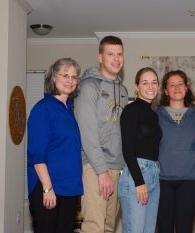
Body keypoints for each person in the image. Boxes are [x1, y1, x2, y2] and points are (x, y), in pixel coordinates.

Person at [74, 35, 128, 233]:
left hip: (116, 167)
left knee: (108, 227)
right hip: (95, 166)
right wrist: (101, 170)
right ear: (100, 57)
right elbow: (87, 133)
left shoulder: (122, 90)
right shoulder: (88, 87)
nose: (116, 59)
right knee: (94, 227)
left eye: (120, 54)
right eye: (110, 54)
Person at [27, 58, 83, 233]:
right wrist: (47, 188)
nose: (70, 80)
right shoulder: (43, 109)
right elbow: (37, 154)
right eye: (65, 75)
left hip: (69, 189)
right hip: (49, 188)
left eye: (74, 77)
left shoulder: (68, 109)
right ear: (53, 77)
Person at [156, 70, 195, 233]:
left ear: (186, 87)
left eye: (180, 84)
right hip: (161, 180)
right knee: (165, 227)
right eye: (171, 85)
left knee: (184, 227)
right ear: (166, 91)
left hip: (189, 180)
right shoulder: (156, 116)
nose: (176, 88)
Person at [118, 67, 162, 233]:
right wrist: (139, 181)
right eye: (145, 83)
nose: (150, 86)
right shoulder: (131, 110)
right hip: (136, 176)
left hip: (154, 175)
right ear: (137, 87)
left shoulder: (154, 115)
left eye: (154, 82)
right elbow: (127, 149)